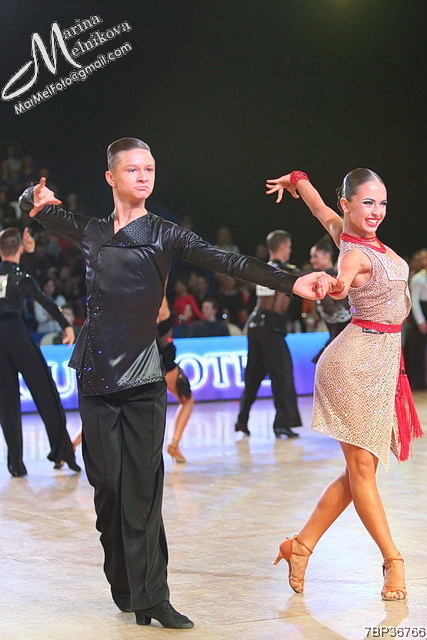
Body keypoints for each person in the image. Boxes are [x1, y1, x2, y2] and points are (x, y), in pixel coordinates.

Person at [19, 138, 331, 629]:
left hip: (145, 375)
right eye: (133, 169)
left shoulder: (165, 233)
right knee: (108, 490)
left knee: (143, 490)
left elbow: (227, 261)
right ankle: (125, 586)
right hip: (96, 374)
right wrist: (32, 199)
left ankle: (153, 597)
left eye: (149, 168)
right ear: (111, 177)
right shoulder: (91, 230)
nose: (144, 176)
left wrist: (291, 282)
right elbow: (35, 209)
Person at [265, 168, 423, 602]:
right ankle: (393, 560)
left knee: (359, 472)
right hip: (352, 365)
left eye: (382, 202)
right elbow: (340, 284)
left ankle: (300, 545)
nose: (376, 211)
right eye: (367, 202)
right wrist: (331, 285)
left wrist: (297, 180)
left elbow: (318, 208)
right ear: (348, 205)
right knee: (362, 471)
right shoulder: (352, 254)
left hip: (380, 363)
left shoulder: (344, 231)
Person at [0, 227, 80, 477]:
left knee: (6, 402)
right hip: (16, 334)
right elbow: (43, 298)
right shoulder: (20, 275)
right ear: (20, 248)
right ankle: (62, 451)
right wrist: (66, 325)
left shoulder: (13, 272)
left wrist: (27, 255)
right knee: (45, 391)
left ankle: (15, 463)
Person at [235, 230, 302, 438]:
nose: (290, 250)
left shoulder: (263, 270)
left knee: (254, 375)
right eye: (289, 246)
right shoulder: (285, 272)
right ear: (282, 247)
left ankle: (242, 420)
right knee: (282, 374)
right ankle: (282, 424)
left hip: (256, 325)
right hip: (270, 327)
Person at [157, 295, 194, 463]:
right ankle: (174, 443)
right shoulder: (159, 302)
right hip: (165, 364)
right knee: (187, 401)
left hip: (141, 363)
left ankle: (76, 444)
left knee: (110, 409)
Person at [309, 236, 351, 362]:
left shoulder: (337, 278)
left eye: (315, 256)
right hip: (336, 335)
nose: (311, 260)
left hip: (344, 334)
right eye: (311, 257)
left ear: (327, 256)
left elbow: (339, 311)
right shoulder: (319, 278)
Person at [404, 249, 427, 389]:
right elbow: (415, 301)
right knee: (419, 348)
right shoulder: (418, 279)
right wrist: (421, 321)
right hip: (423, 312)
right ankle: (418, 380)